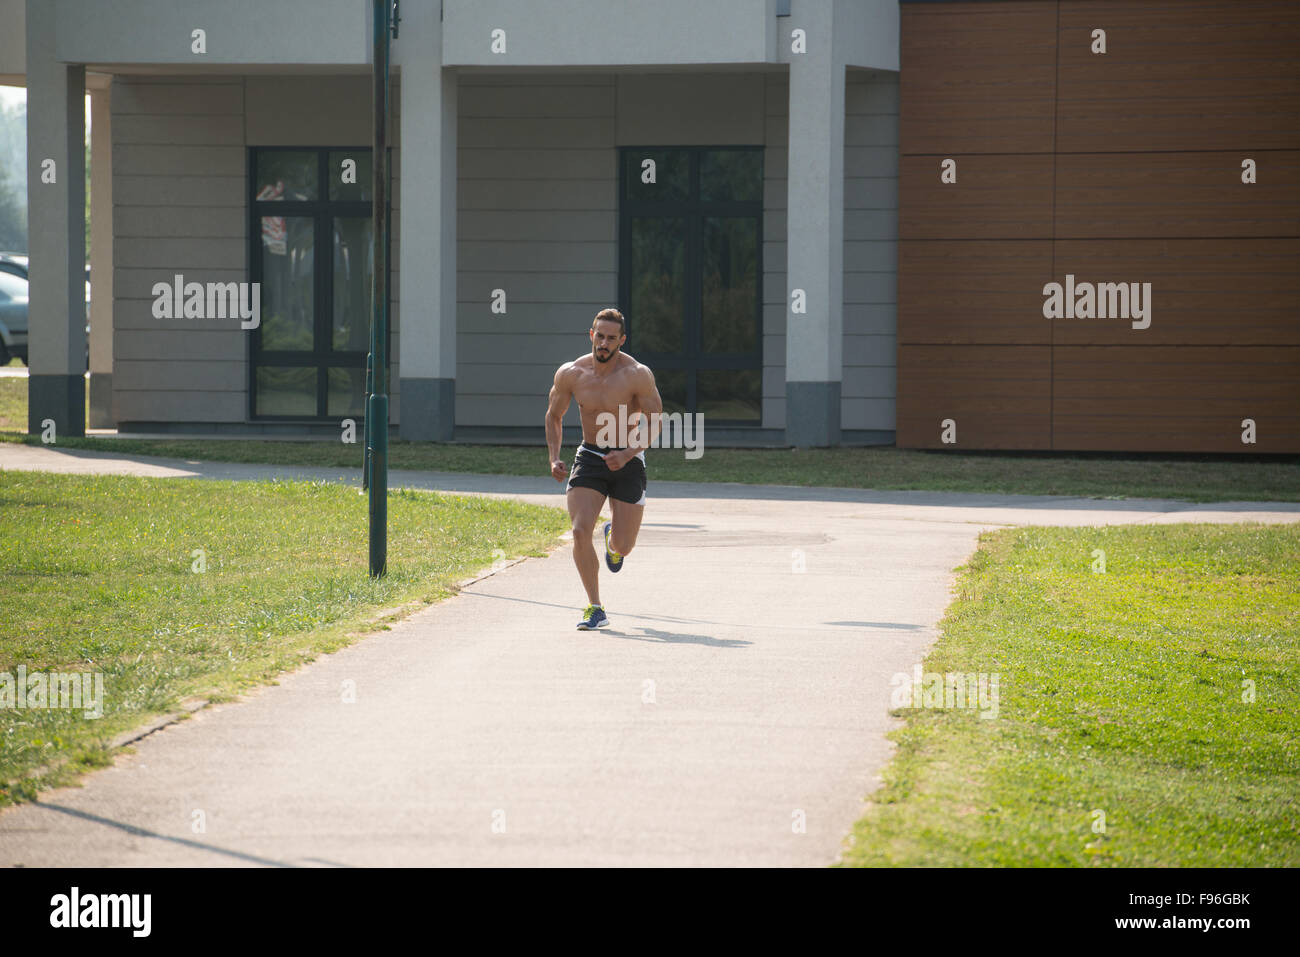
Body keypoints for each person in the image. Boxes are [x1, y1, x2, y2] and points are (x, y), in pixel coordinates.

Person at [545, 308, 663, 630]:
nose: (604, 343)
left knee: (624, 546)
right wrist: (554, 457)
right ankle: (595, 607)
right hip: (591, 456)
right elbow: (554, 415)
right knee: (580, 531)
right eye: (600, 335)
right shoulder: (571, 373)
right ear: (591, 335)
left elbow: (655, 423)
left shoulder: (637, 374)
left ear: (621, 341)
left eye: (612, 338)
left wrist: (627, 453)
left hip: (627, 460)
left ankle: (613, 542)